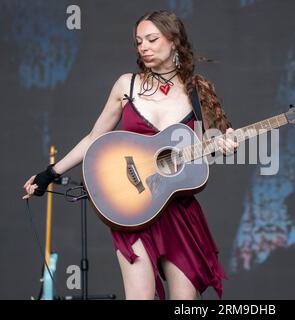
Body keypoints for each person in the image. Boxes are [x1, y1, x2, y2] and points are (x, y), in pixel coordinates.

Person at [22, 10, 238, 300]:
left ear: (174, 41)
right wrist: (49, 174)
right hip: (133, 209)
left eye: (152, 39)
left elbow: (207, 145)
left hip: (178, 211)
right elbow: (94, 138)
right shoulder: (127, 85)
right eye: (139, 42)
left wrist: (224, 144)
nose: (144, 47)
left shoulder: (196, 92)